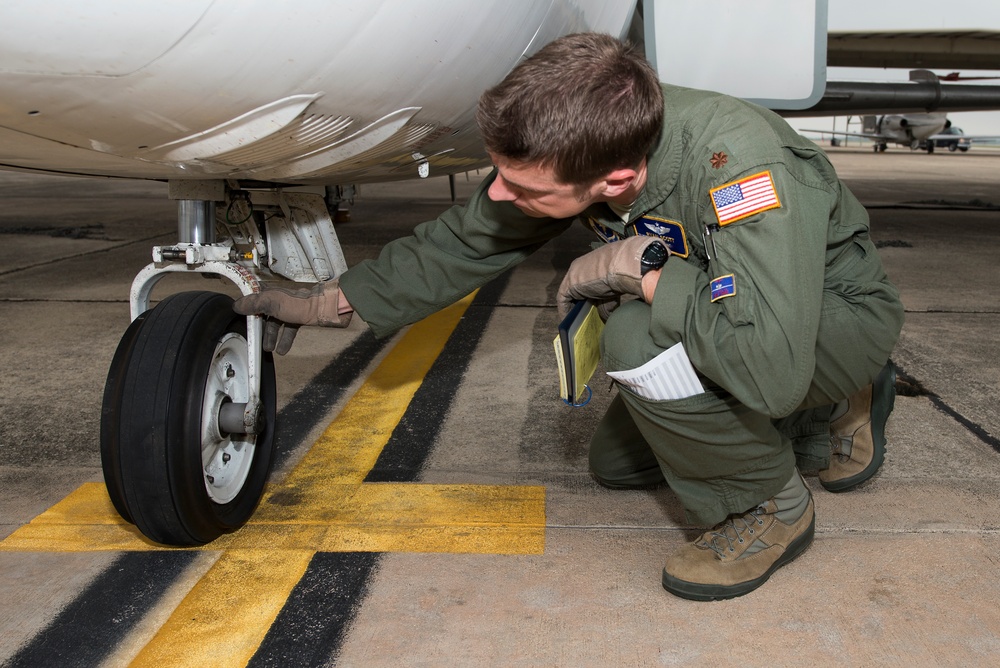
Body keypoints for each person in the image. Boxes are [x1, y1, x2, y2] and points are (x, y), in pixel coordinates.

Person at [234, 32, 904, 601]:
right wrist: (332, 301)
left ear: (616, 180)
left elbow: (768, 362)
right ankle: (808, 420)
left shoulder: (740, 169)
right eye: (496, 175)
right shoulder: (583, 136)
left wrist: (642, 276)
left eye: (522, 188)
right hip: (739, 322)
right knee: (617, 466)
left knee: (638, 340)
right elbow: (469, 237)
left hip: (821, 321)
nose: (500, 194)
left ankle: (778, 502)